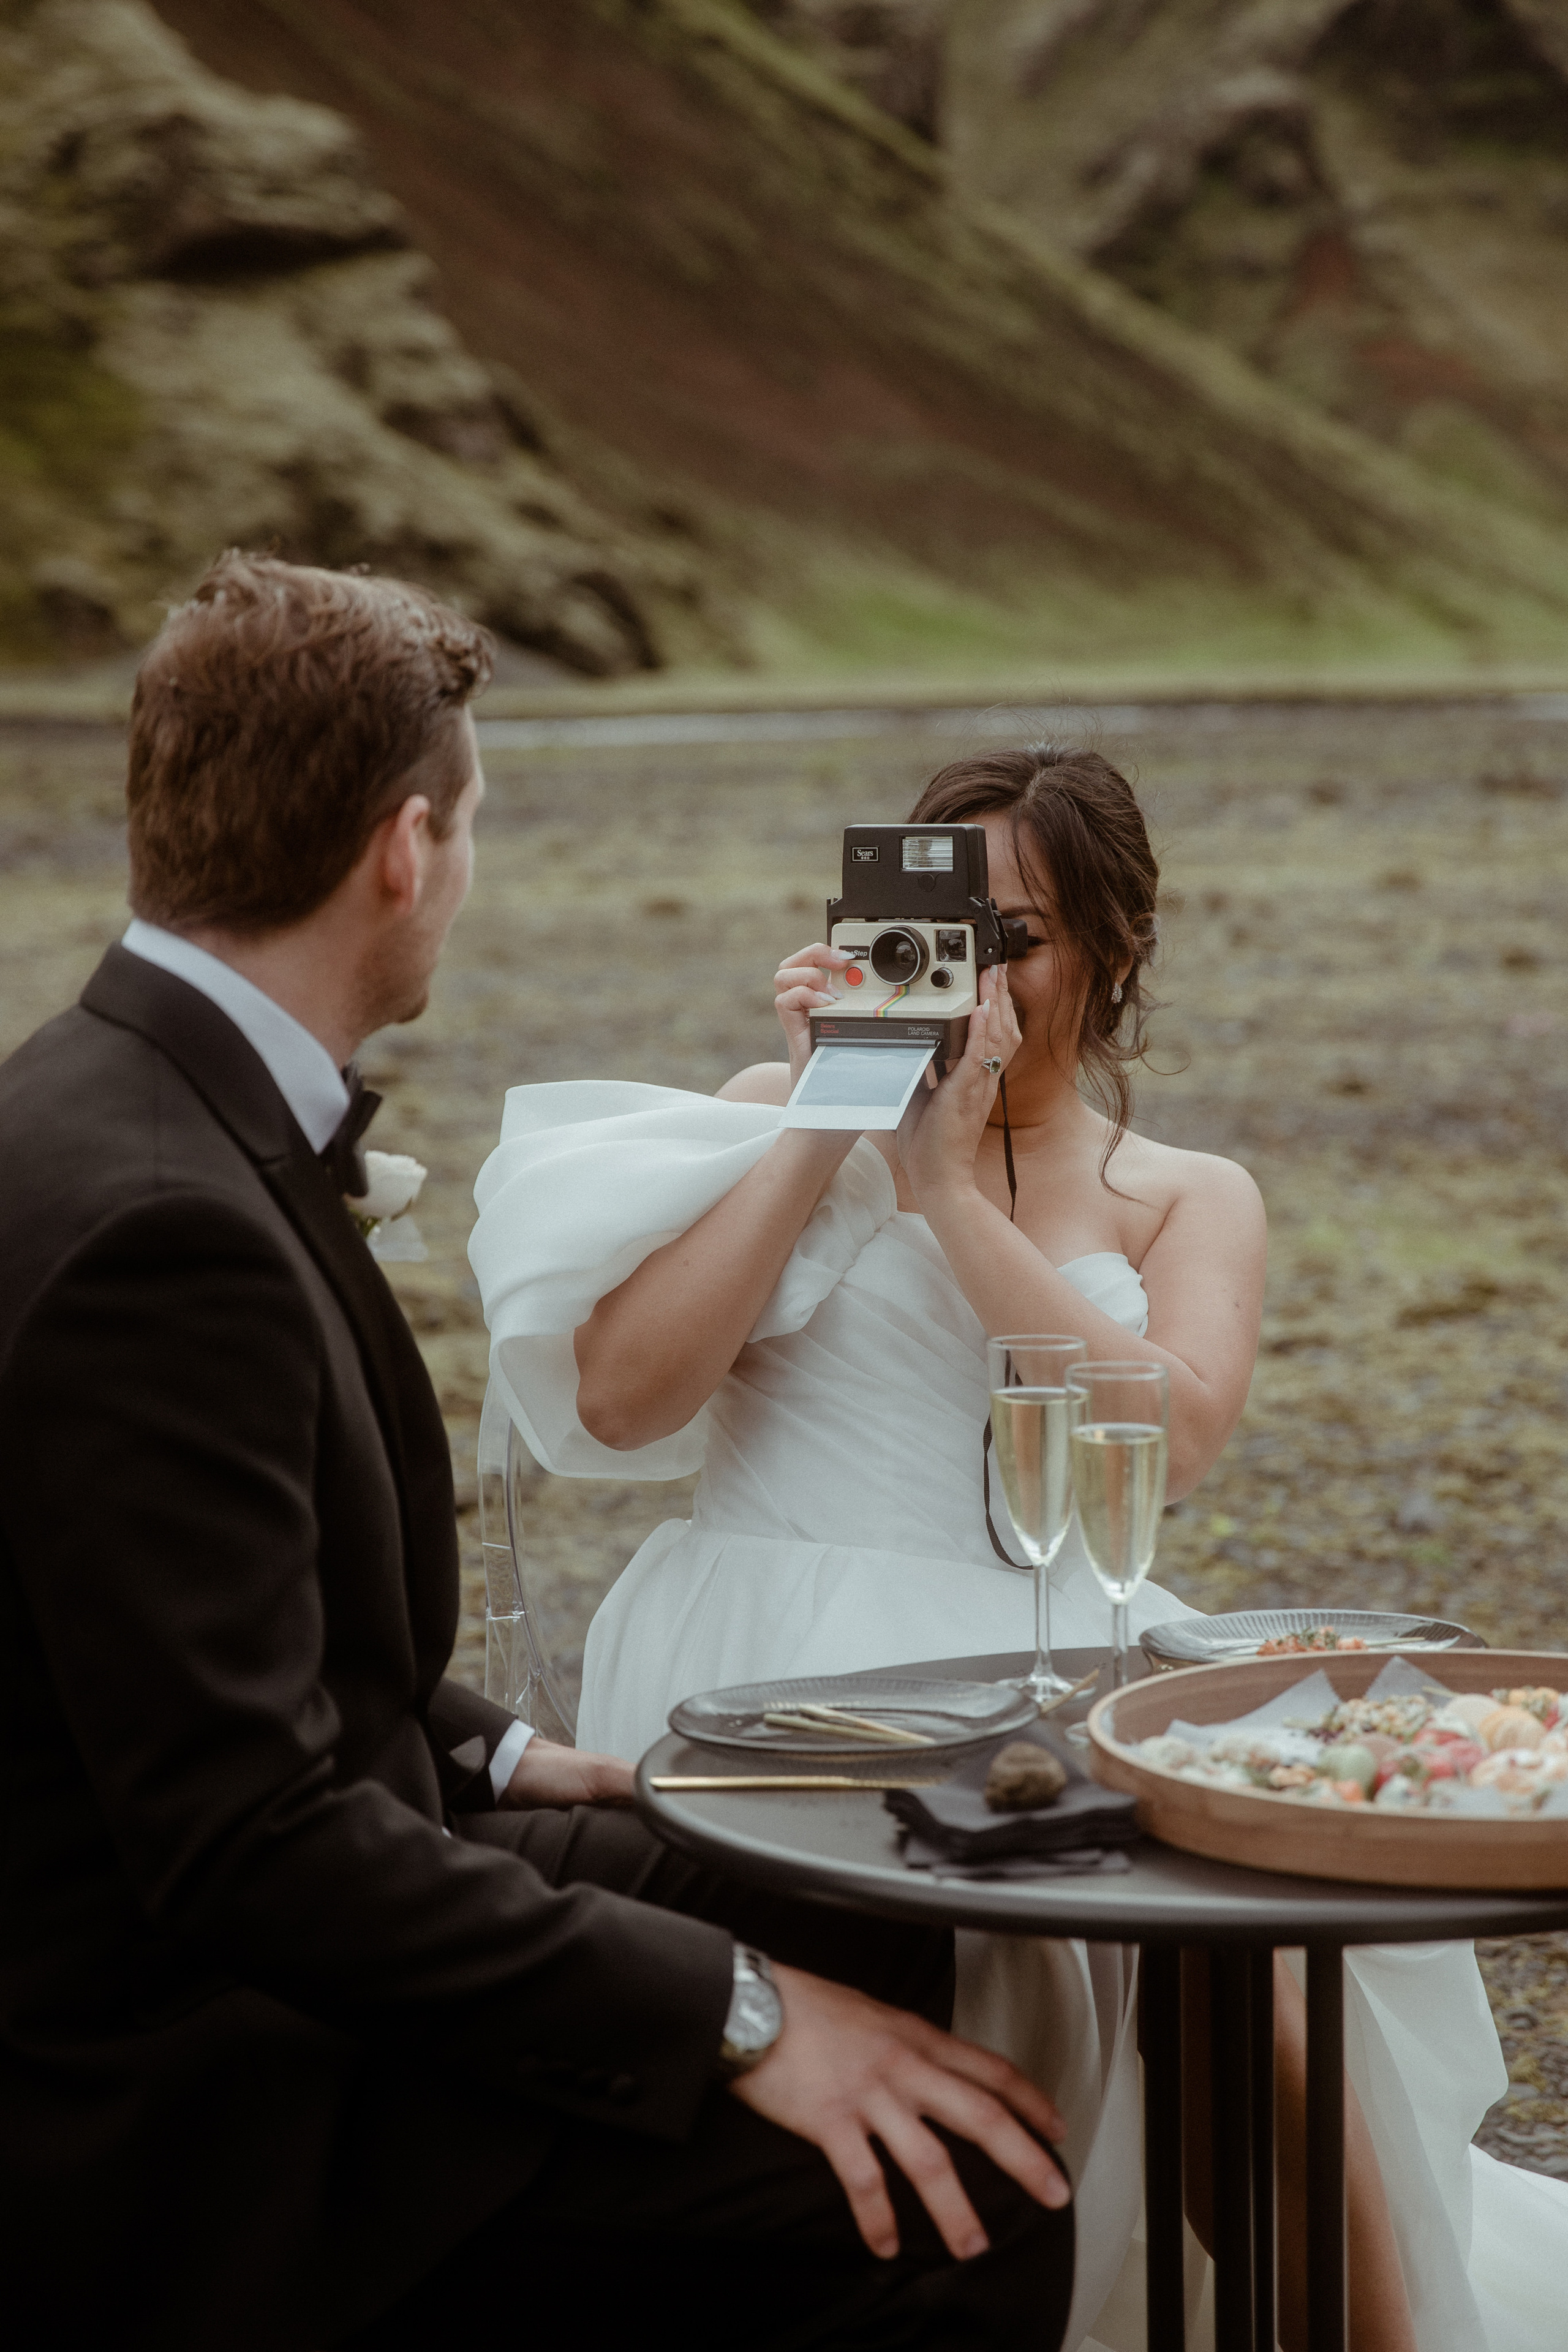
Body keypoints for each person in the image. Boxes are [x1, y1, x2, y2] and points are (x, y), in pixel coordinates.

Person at [0, 556, 1079, 2352]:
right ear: (406, 853)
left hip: (288, 1874)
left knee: (853, 1889)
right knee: (964, 2209)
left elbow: (179, 1637)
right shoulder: (157, 1229)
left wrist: (498, 1749)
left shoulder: (122, 1098)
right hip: (189, 2068)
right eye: (471, 828)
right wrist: (734, 2015)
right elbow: (245, 1841)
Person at [470, 748, 1568, 2352]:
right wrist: (825, 1124)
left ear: (1114, 955)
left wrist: (936, 1186)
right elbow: (627, 1403)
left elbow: (1171, 1434)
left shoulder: (1179, 1193)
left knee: (1238, 1980)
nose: (980, 973)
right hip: (766, 1646)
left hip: (1057, 1644)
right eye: (943, 925)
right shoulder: (773, 1120)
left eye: (1025, 935)